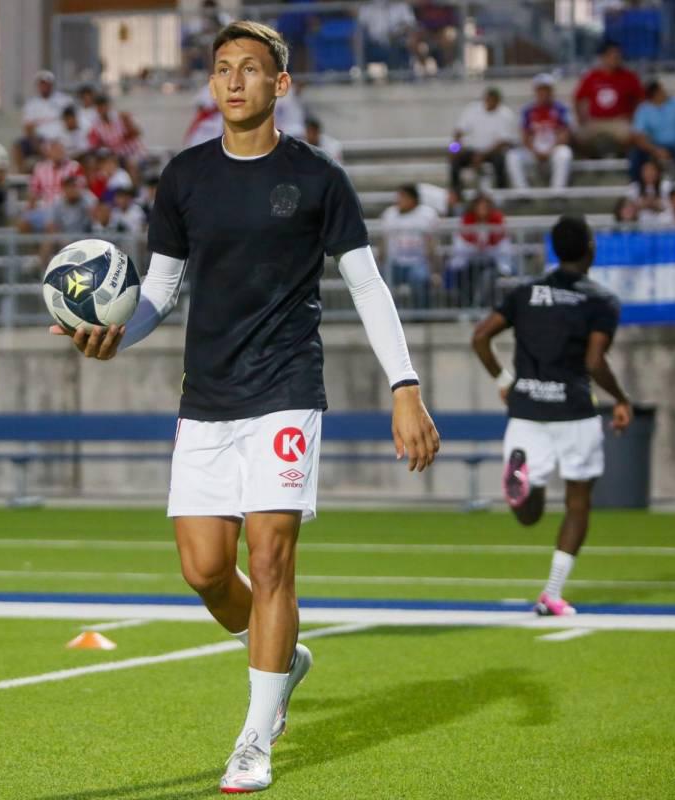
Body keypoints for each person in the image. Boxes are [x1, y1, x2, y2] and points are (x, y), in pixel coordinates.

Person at [50, 20, 438, 794]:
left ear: (279, 85)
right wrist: (115, 338)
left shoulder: (321, 179)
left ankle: (254, 739)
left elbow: (366, 284)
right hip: (208, 399)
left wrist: (406, 386)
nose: (233, 81)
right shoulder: (186, 177)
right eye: (222, 68)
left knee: (271, 558)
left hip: (287, 392)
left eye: (250, 70)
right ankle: (284, 657)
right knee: (204, 571)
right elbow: (159, 291)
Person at [471, 214, 631, 617]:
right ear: (590, 249)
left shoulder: (526, 292)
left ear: (555, 250)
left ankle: (522, 481)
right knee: (578, 503)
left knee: (529, 516)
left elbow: (480, 337)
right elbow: (595, 361)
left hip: (526, 409)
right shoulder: (601, 300)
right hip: (575, 411)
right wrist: (622, 399)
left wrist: (504, 379)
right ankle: (552, 594)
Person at [573, 41, 643, 157]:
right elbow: (578, 98)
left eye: (618, 56)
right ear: (603, 57)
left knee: (632, 134)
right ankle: (592, 159)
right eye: (612, 56)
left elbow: (640, 99)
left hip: (618, 121)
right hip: (595, 121)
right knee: (576, 136)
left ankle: (621, 157)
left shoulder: (629, 77)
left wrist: (632, 116)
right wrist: (581, 118)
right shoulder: (592, 76)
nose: (615, 59)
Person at [449, 87, 516, 206]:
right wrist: (455, 148)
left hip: (493, 152)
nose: (490, 103)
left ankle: (502, 195)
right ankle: (456, 196)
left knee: (500, 160)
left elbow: (504, 141)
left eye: (493, 101)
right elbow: (458, 132)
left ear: (498, 101)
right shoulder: (472, 109)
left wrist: (482, 155)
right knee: (454, 160)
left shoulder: (506, 114)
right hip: (472, 150)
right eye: (488, 100)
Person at [507, 74, 573, 194]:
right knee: (513, 156)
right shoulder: (528, 110)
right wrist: (535, 151)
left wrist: (551, 150)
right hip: (534, 150)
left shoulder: (561, 109)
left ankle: (557, 193)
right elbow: (524, 135)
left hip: (554, 149)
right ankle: (523, 193)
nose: (543, 93)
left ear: (552, 91)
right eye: (540, 90)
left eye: (546, 90)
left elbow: (565, 133)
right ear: (535, 91)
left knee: (564, 153)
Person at [447, 192, 512, 306]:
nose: (482, 210)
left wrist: (487, 248)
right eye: (479, 206)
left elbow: (504, 248)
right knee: (462, 275)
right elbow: (460, 247)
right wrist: (475, 248)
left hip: (493, 262)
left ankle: (483, 306)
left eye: (485, 206)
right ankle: (466, 306)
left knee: (488, 277)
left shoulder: (498, 221)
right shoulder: (467, 221)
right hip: (471, 262)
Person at [381, 183, 439, 307]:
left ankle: (420, 316)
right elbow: (383, 242)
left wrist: (435, 270)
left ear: (413, 199)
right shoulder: (389, 214)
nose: (399, 200)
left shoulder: (427, 214)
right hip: (395, 262)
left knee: (419, 278)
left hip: (419, 262)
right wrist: (381, 261)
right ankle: (390, 316)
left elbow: (432, 244)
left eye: (403, 196)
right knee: (380, 280)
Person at [19, 138, 84, 235]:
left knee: (51, 223)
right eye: (54, 150)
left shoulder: (74, 167)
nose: (57, 153)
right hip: (46, 208)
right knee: (24, 222)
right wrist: (28, 209)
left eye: (59, 149)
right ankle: (31, 250)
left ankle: (54, 249)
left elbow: (79, 190)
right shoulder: (40, 168)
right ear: (48, 152)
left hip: (67, 208)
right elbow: (34, 192)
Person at [629, 80, 675, 183]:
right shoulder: (644, 109)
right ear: (654, 95)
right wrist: (655, 150)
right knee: (635, 154)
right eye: (661, 91)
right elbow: (637, 135)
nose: (665, 93)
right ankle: (636, 185)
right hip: (654, 145)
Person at [14, 70, 73, 172]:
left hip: (61, 137)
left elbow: (71, 121)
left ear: (52, 84)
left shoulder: (64, 100)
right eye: (42, 83)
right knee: (18, 145)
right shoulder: (31, 104)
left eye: (47, 83)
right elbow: (27, 127)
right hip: (40, 140)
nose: (44, 86)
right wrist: (38, 144)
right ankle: (21, 175)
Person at [358, 0, 416, 71]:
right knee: (359, 44)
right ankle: (364, 77)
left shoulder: (401, 5)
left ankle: (399, 76)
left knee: (400, 46)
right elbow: (359, 27)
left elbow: (410, 25)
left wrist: (398, 32)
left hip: (397, 42)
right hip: (373, 44)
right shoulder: (368, 7)